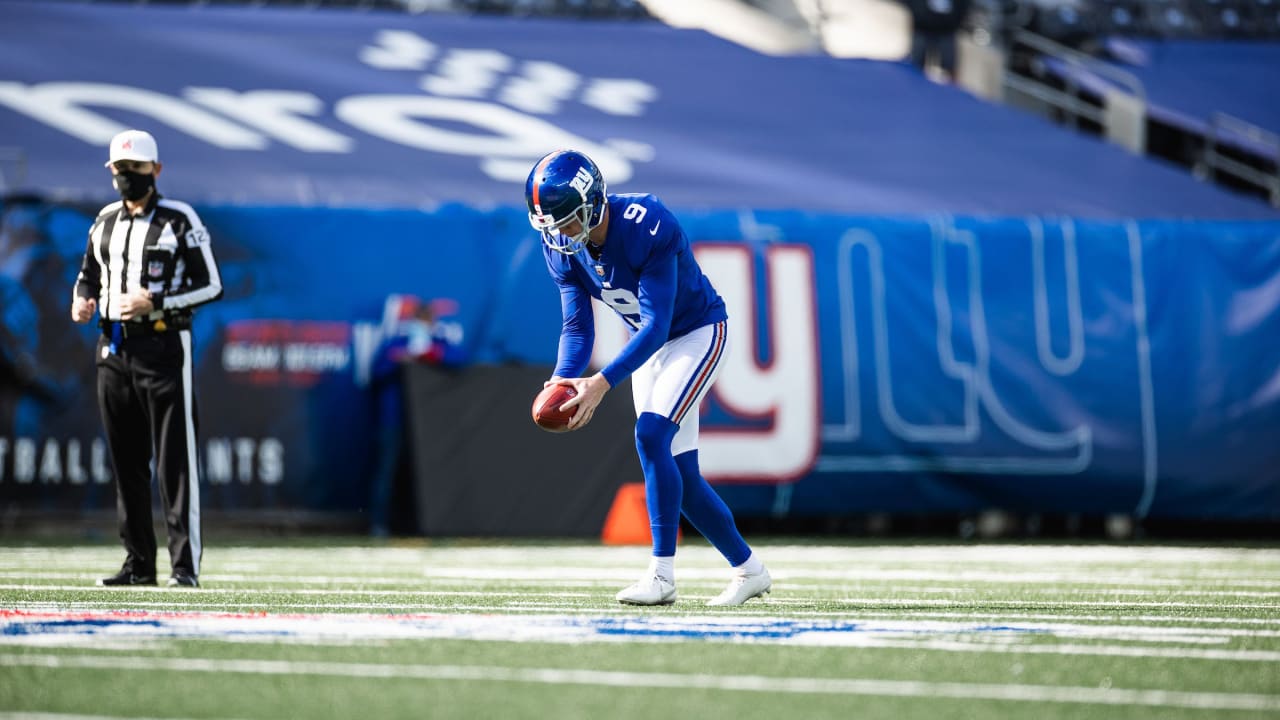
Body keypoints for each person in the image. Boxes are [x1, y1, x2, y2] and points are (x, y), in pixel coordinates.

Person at [525, 149, 771, 607]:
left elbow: (659, 324)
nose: (560, 232)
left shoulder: (646, 221)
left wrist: (599, 384)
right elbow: (577, 328)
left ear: (594, 204)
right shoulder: (561, 250)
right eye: (551, 224)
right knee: (680, 475)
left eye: (567, 219)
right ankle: (749, 569)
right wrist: (562, 381)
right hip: (650, 343)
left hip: (696, 333)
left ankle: (661, 576)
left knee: (651, 433)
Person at [71, 129, 223, 588]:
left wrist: (157, 303)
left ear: (156, 171)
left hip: (162, 347)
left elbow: (211, 284)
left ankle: (184, 567)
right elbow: (87, 275)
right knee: (126, 460)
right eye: (119, 171)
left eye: (134, 170)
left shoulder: (178, 220)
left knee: (174, 460)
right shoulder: (104, 221)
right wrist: (81, 299)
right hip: (113, 348)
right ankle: (138, 564)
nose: (125, 179)